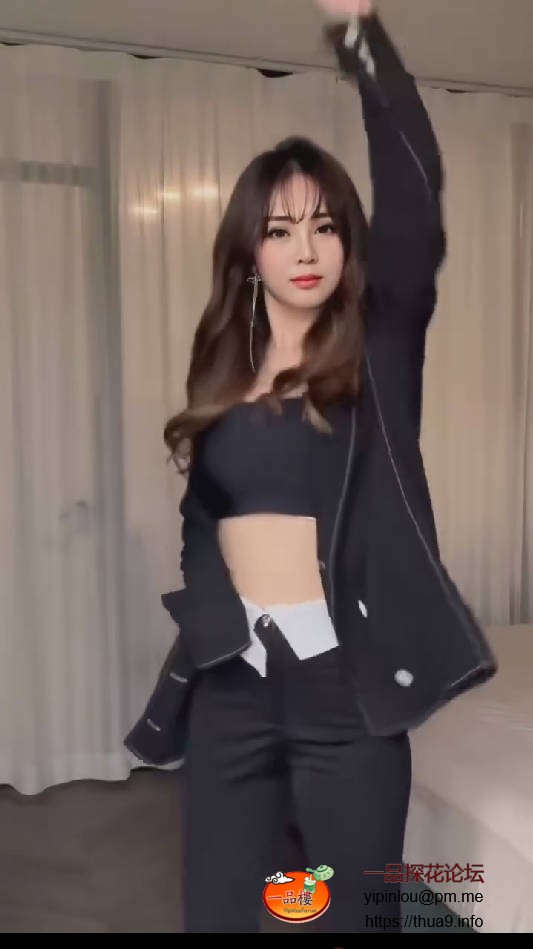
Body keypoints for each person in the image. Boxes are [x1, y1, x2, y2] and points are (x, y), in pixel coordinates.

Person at [125, 0, 497, 933]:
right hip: (233, 680)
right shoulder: (221, 371)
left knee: (347, 915)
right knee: (218, 910)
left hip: (346, 689)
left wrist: (361, 37)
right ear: (249, 252)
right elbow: (202, 521)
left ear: (347, 243)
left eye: (323, 226)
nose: (304, 249)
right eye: (280, 229)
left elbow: (413, 188)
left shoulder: (379, 352)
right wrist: (219, 622)